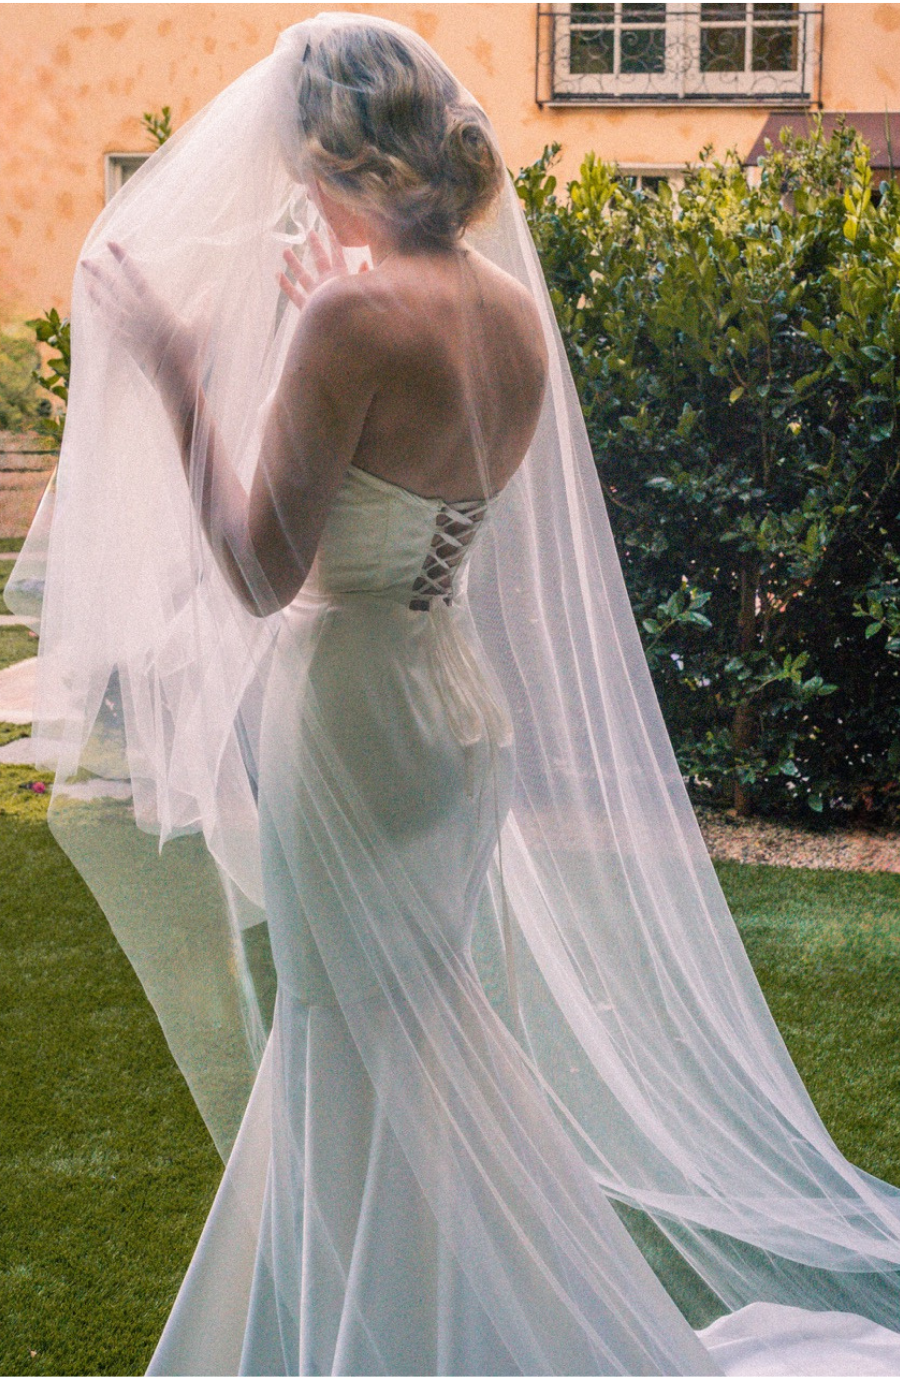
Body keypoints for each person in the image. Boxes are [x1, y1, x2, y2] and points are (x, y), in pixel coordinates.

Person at [11, 12, 900, 1376]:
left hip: (351, 708)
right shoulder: (504, 307)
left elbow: (260, 570)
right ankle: (412, 1315)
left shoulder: (352, 316)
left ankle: (381, 1333)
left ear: (327, 152)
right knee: (415, 1025)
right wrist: (325, 304)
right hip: (450, 700)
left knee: (347, 1029)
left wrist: (182, 370)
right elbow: (412, 483)